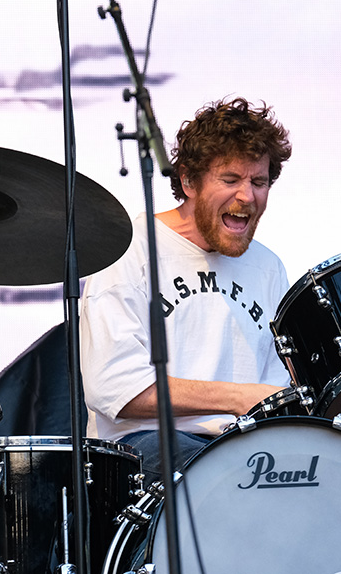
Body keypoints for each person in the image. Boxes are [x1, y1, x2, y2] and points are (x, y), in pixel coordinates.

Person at [80, 96, 293, 481]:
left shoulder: (268, 267)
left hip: (241, 448)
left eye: (258, 182)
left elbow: (277, 392)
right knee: (220, 478)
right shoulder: (130, 248)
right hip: (141, 450)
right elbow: (111, 385)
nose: (247, 196)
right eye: (230, 180)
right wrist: (237, 398)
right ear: (188, 181)